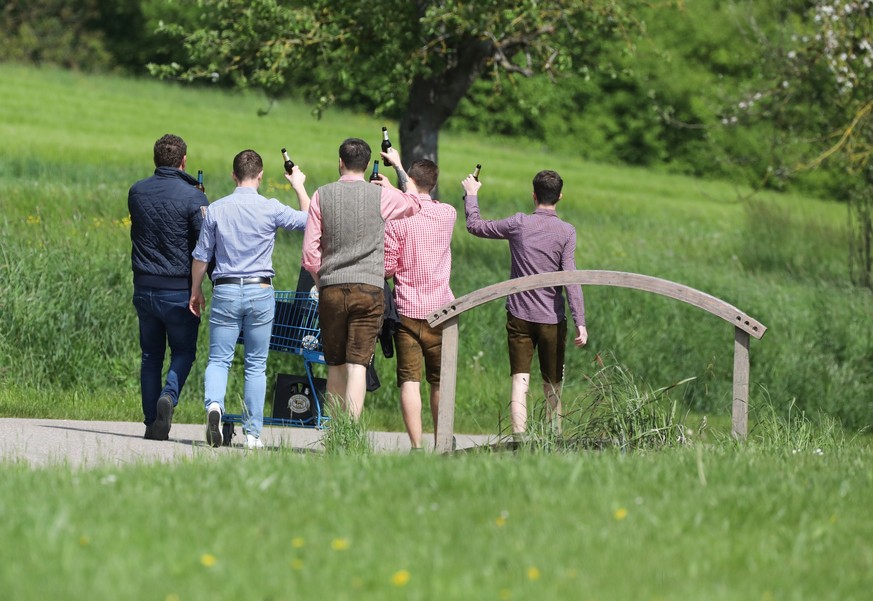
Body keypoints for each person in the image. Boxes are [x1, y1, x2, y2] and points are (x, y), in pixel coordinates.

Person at [189, 149, 310, 449]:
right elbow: (310, 220)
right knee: (256, 365)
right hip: (260, 290)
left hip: (226, 289)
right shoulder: (270, 208)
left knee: (219, 359)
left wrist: (196, 290)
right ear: (260, 175)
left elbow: (202, 257)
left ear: (233, 175)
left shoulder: (216, 209)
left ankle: (214, 406)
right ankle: (253, 434)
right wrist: (298, 185)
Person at [462, 169, 588, 438]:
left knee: (520, 380)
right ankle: (554, 436)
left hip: (519, 315)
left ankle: (519, 440)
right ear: (560, 197)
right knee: (552, 384)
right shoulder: (566, 231)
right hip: (552, 319)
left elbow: (475, 226)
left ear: (533, 195)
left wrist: (471, 196)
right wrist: (580, 321)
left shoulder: (519, 223)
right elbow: (571, 278)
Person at [301, 138, 421, 420]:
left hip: (331, 288)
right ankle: (350, 432)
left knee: (335, 364)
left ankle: (332, 432)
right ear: (367, 165)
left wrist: (323, 282)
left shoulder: (321, 194)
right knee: (358, 364)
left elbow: (309, 254)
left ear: (340, 162)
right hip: (369, 289)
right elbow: (415, 203)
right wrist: (398, 169)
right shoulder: (380, 196)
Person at [129, 133, 208, 441]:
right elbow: (204, 243)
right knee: (184, 350)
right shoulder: (193, 197)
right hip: (178, 290)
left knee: (150, 356)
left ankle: (152, 422)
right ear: (183, 161)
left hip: (144, 285)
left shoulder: (137, 191)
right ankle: (169, 395)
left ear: (155, 159)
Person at [381, 158, 456, 450]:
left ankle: (416, 446)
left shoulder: (396, 219)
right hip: (441, 309)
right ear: (434, 184)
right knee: (439, 381)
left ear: (409, 180)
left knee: (409, 380)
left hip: (407, 309)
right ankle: (442, 443)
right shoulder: (448, 214)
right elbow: (416, 198)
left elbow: (388, 268)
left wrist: (395, 187)